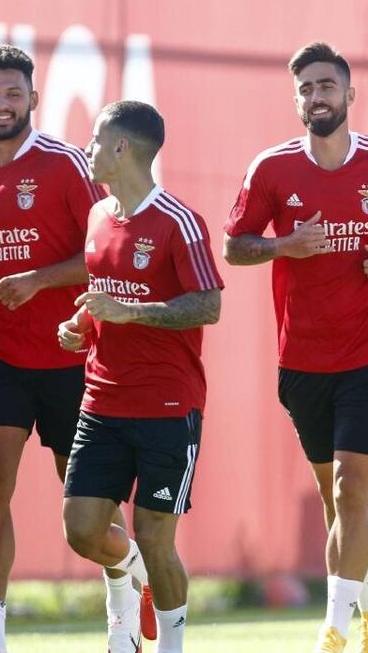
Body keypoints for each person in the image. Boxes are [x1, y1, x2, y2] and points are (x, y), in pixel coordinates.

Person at [222, 41, 368, 653]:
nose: (316, 97)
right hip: (303, 355)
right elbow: (235, 246)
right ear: (296, 100)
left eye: (326, 86)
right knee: (335, 497)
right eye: (306, 89)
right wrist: (282, 246)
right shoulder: (271, 169)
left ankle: (334, 629)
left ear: (350, 94)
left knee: (350, 488)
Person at [0, 45, 152, 653]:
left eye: (12, 93)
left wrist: (38, 281)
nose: (1, 104)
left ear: (33, 98)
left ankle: (126, 593)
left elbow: (105, 253)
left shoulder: (66, 165)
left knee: (87, 507)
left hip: (71, 354)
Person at [57, 100, 224, 653]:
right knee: (82, 530)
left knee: (155, 535)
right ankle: (138, 574)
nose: (88, 149)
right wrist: (82, 325)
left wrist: (131, 313)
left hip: (167, 407)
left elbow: (207, 306)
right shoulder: (97, 215)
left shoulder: (179, 220)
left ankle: (170, 646)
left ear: (121, 147)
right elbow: (104, 292)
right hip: (101, 402)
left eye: (95, 140)